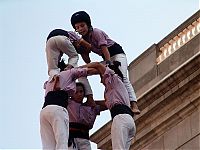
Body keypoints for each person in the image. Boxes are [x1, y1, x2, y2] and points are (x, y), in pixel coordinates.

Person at [70, 11, 140, 114]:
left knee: (122, 77)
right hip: (106, 59)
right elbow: (88, 61)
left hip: (116, 54)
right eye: (77, 27)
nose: (80, 29)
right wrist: (81, 49)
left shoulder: (96, 32)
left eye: (82, 25)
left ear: (88, 24)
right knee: (81, 72)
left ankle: (134, 104)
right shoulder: (83, 41)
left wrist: (108, 64)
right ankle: (90, 98)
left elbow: (105, 50)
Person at [40, 65, 97, 150]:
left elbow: (45, 85)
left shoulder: (50, 81)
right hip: (57, 109)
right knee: (62, 141)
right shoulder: (70, 73)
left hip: (44, 111)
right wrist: (102, 68)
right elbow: (88, 71)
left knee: (49, 145)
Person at [82, 61, 136, 150]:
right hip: (129, 120)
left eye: (101, 76)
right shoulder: (114, 89)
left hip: (120, 118)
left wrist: (78, 69)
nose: (100, 81)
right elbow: (107, 103)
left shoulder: (114, 79)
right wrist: (91, 102)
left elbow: (98, 65)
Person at [45, 28, 93, 104]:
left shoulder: (61, 51)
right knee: (74, 56)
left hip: (49, 42)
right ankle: (69, 68)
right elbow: (87, 46)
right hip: (62, 38)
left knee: (52, 68)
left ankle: (55, 77)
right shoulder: (72, 34)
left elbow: (56, 62)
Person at [67, 82, 106, 150]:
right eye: (76, 92)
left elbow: (108, 104)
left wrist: (92, 101)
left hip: (84, 139)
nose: (79, 94)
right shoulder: (68, 103)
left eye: (81, 91)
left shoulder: (91, 108)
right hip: (71, 138)